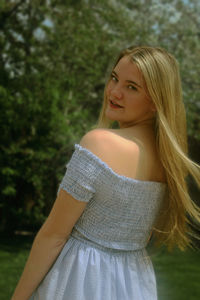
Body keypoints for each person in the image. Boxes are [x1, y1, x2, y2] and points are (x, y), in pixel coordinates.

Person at [11, 46, 200, 300]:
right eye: (114, 78)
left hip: (79, 279)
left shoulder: (99, 143)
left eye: (131, 87)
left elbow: (54, 235)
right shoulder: (168, 162)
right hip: (134, 283)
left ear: (156, 101)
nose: (114, 92)